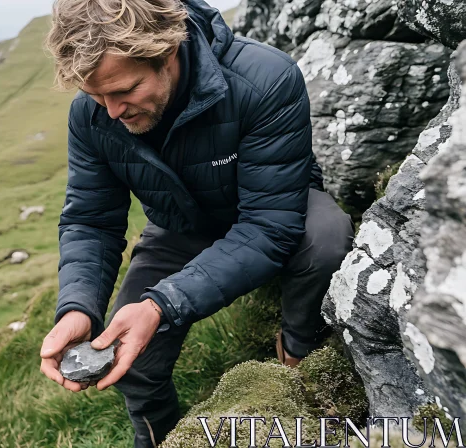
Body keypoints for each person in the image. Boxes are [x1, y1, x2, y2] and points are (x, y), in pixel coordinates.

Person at [38, 0, 355, 446]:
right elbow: (91, 221)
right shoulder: (91, 116)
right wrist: (77, 306)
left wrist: (160, 306)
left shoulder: (264, 79)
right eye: (96, 96)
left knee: (325, 239)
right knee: (133, 365)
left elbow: (269, 228)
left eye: (125, 89)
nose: (110, 111)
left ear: (167, 53)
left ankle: (301, 357)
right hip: (179, 229)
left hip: (274, 210)